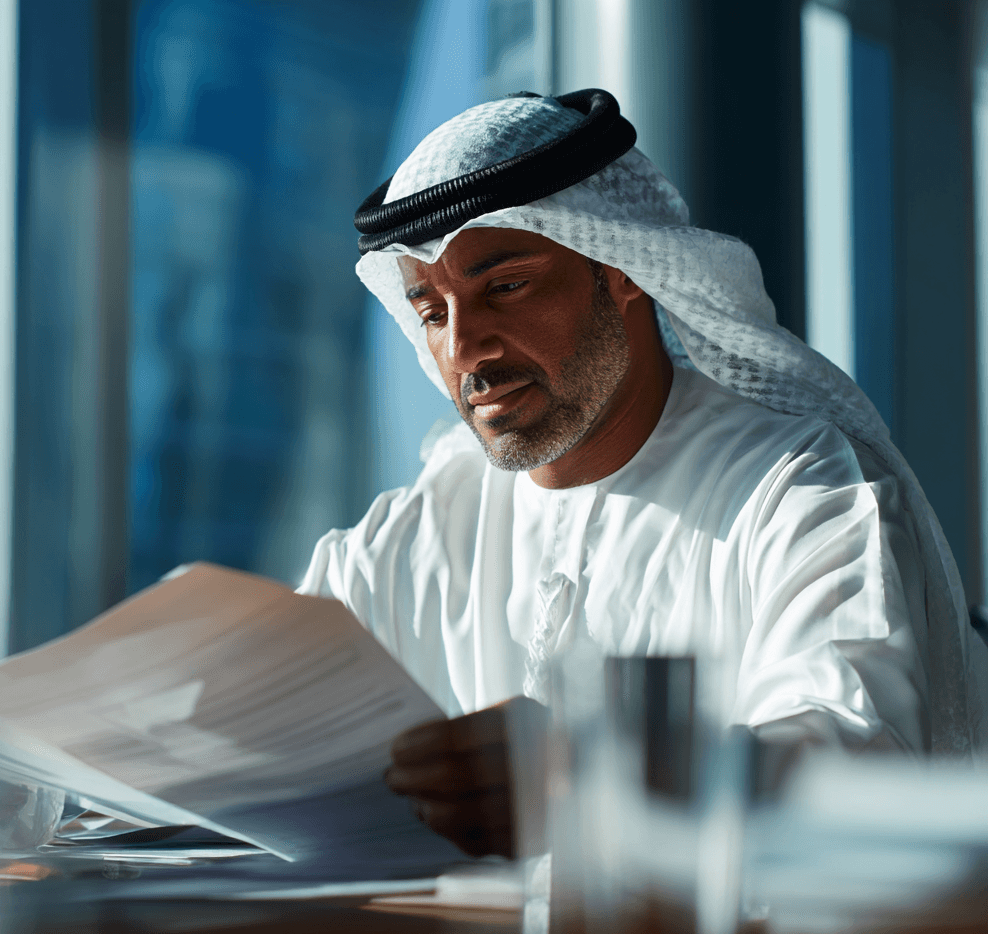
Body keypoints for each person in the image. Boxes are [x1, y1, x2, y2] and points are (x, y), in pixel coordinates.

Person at [300, 90, 988, 859]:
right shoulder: (411, 534)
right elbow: (262, 730)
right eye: (433, 312)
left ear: (622, 267)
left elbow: (859, 750)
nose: (465, 351)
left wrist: (588, 774)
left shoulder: (796, 488)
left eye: (506, 286)